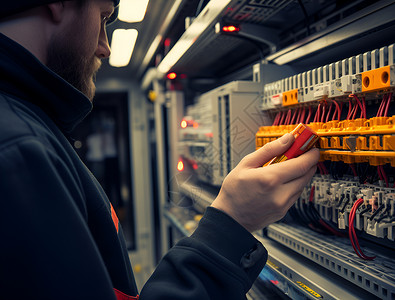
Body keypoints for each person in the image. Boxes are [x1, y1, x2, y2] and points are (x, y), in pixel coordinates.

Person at [0, 0, 319, 299]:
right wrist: (232, 221)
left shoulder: (30, 128)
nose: (105, 46)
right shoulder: (18, 152)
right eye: (103, 17)